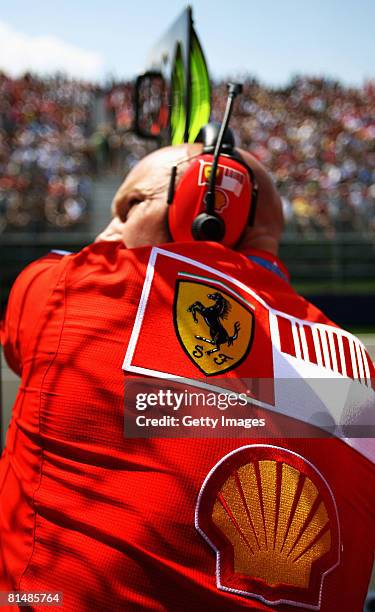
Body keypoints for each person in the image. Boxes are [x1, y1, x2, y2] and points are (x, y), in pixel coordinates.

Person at [1, 139, 374, 612]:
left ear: (200, 210)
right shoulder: (357, 369)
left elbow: (32, 315)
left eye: (128, 206)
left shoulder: (75, 286)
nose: (110, 229)